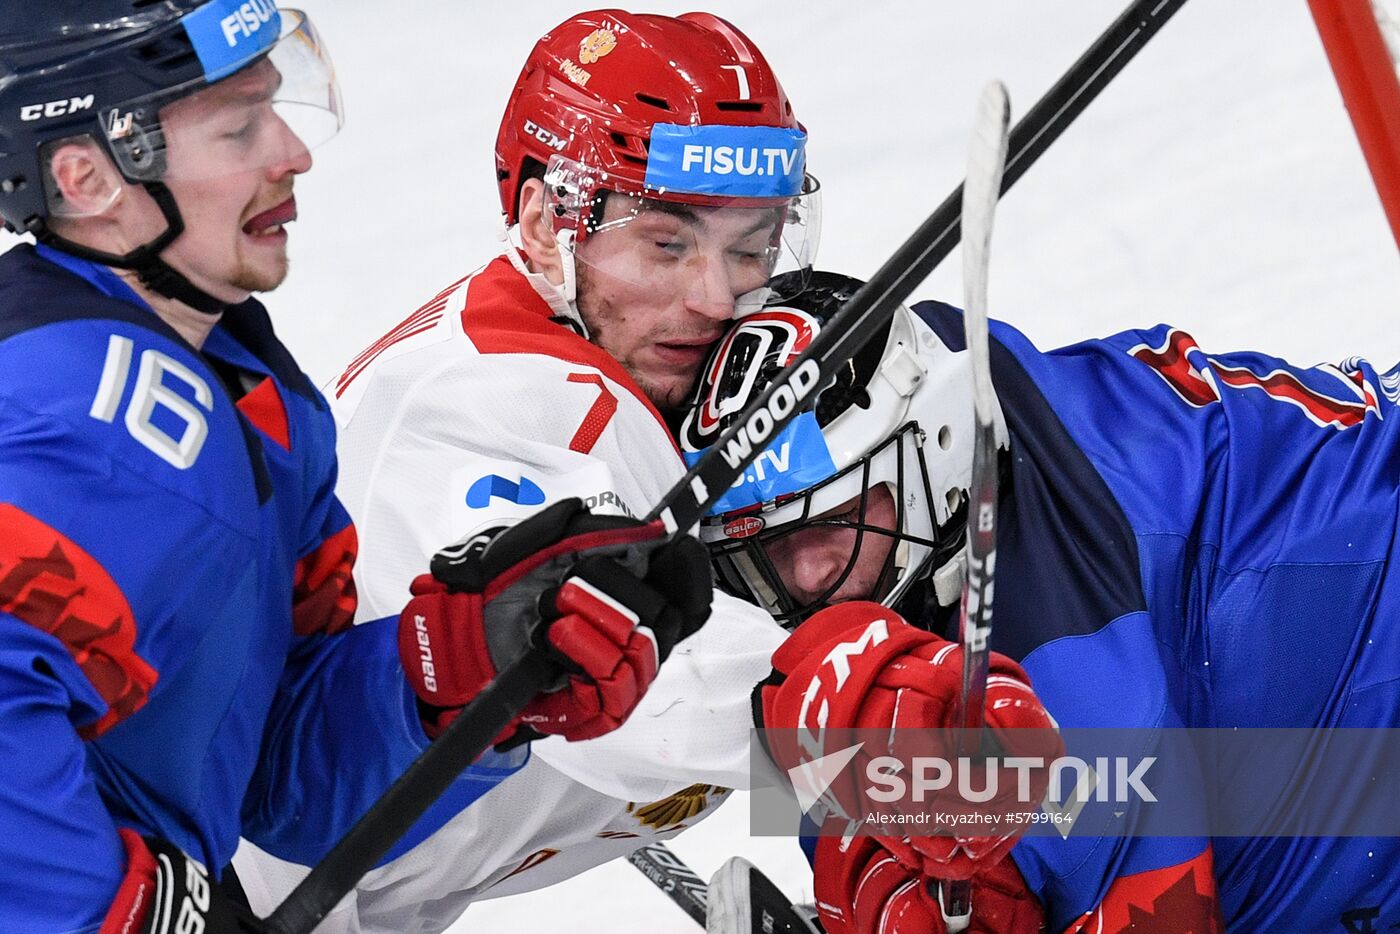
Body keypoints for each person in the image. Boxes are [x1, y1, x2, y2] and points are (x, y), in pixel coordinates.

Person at [0, 3, 707, 931]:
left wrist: (454, 664)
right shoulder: (58, 405)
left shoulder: (260, 400)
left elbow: (280, 786)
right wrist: (121, 909)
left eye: (277, 107)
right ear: (88, 175)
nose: (292, 150)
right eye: (237, 127)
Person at [233, 9, 827, 932]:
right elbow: (637, 700)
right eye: (666, 243)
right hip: (211, 892)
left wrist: (874, 827)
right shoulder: (472, 401)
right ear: (550, 218)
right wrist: (913, 751)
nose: (716, 298)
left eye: (752, 245)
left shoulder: (692, 365)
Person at [684, 270, 1400, 933]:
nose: (806, 576)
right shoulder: (980, 405)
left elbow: (1161, 908)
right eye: (763, 551)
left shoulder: (1067, 669)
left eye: (835, 519)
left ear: (929, 448)